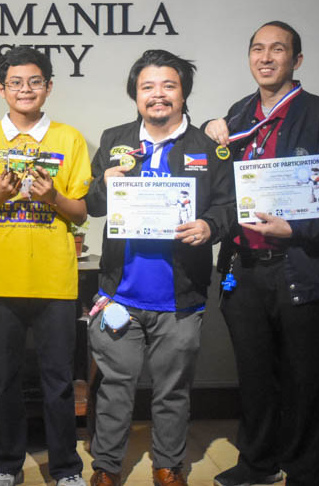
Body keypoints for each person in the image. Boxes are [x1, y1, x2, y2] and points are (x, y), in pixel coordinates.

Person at [204, 22, 319, 486]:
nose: (266, 57)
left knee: (305, 378)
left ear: (297, 60)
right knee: (254, 376)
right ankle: (257, 463)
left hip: (300, 268)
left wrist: (295, 227)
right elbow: (218, 185)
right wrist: (213, 137)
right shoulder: (237, 115)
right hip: (244, 270)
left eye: (278, 49)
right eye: (257, 49)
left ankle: (304, 471)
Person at [84, 49, 234, 486]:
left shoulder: (209, 150)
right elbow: (92, 205)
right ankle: (106, 468)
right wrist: (103, 184)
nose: (158, 95)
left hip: (180, 298)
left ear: (184, 93)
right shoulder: (114, 140)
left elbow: (229, 206)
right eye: (148, 87)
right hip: (119, 294)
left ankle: (169, 464)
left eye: (169, 85)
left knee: (173, 390)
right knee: (113, 388)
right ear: (135, 94)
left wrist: (209, 225)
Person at [0, 47, 92, 486]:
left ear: (49, 86)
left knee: (58, 380)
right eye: (15, 82)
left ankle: (66, 468)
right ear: (1, 89)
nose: (25, 90)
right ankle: (5, 463)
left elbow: (80, 213)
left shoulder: (69, 139)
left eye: (35, 81)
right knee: (5, 380)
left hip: (56, 280)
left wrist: (50, 197)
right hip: (0, 280)